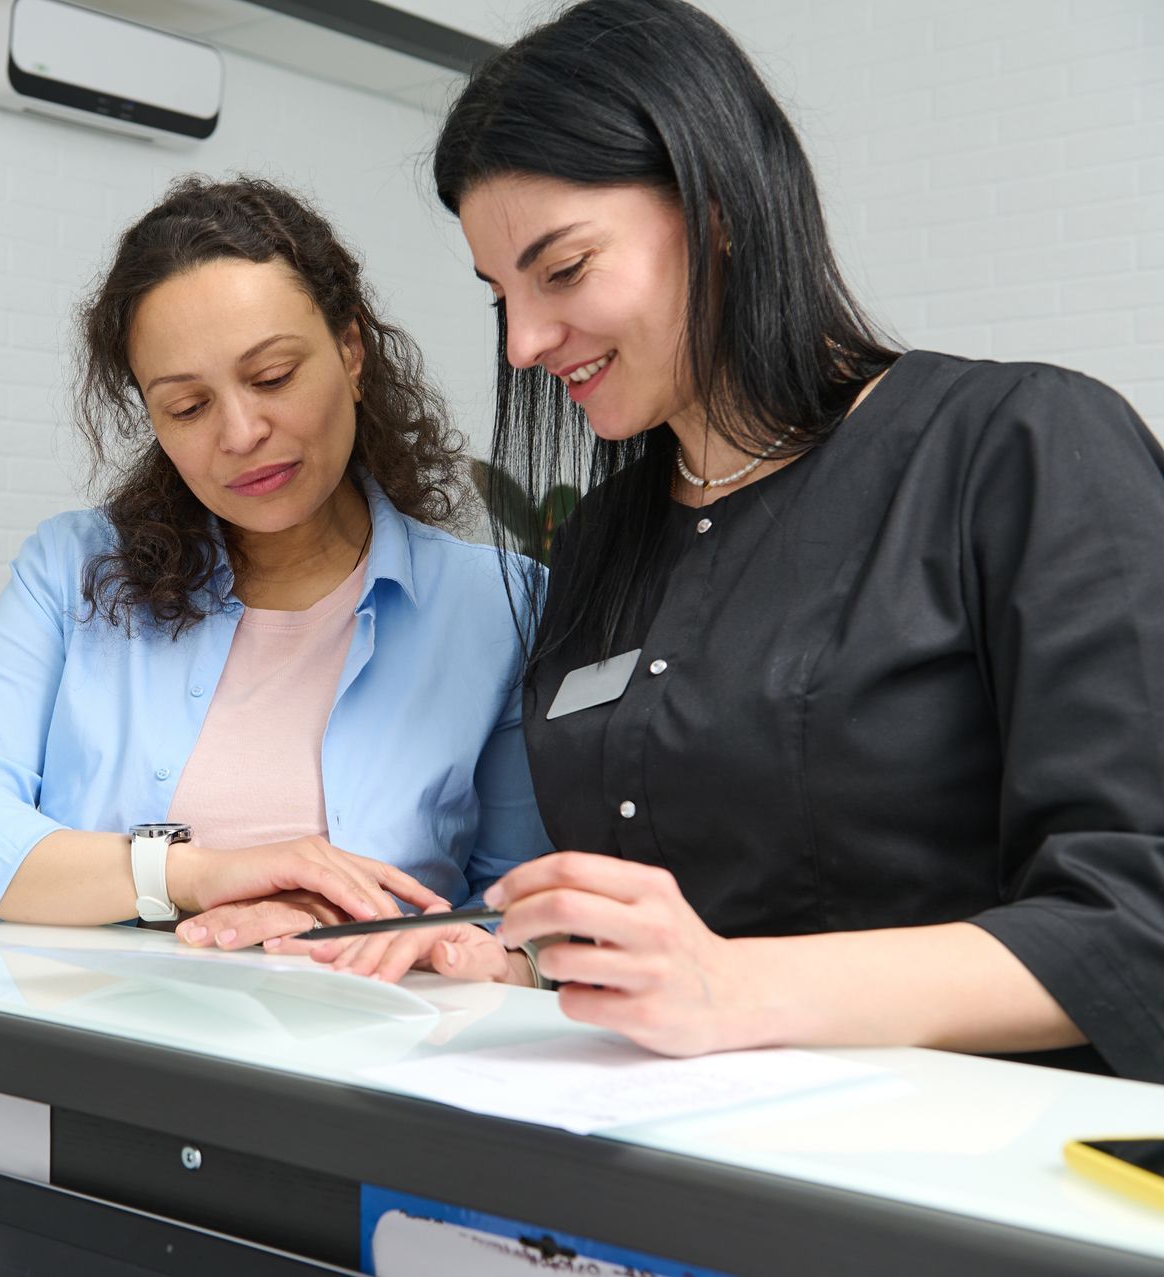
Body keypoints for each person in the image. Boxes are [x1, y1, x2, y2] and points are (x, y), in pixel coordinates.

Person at [310, 0, 1164, 1082]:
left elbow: (1138, 924)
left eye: (563, 270)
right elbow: (673, 920)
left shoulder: (1020, 448)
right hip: (675, 1157)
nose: (523, 343)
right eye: (500, 296)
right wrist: (514, 960)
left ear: (716, 209)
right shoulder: (606, 536)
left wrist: (735, 987)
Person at [0, 176, 550, 986]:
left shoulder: (502, 606)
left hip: (367, 1071)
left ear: (350, 350)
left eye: (271, 377)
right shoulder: (73, 572)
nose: (241, 433)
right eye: (188, 408)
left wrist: (478, 954)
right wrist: (191, 874)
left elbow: (509, 905)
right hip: (101, 1056)